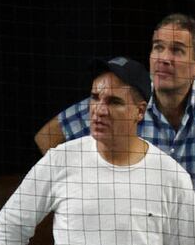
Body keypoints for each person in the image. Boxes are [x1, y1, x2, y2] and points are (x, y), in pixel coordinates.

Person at [0, 58, 195, 245]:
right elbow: (8, 227)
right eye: (94, 97)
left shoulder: (172, 177)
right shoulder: (60, 161)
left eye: (114, 102)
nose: (99, 110)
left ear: (140, 111)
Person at [35, 14, 195, 179]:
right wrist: (77, 186)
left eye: (177, 50)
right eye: (158, 47)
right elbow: (47, 136)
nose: (164, 58)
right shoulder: (124, 98)